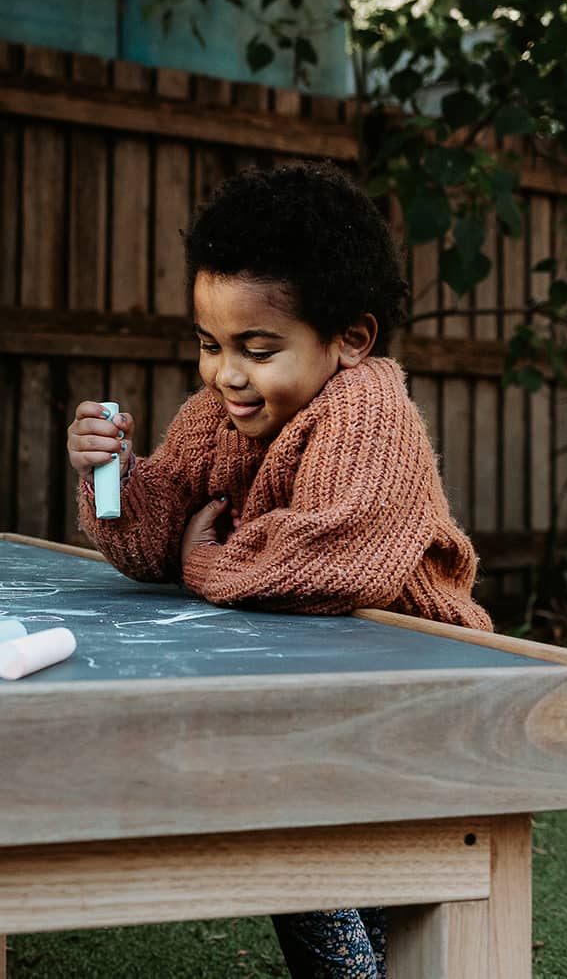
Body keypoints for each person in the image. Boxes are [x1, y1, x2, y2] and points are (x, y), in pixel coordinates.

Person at [65, 161, 492, 979]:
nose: (227, 373)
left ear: (350, 341)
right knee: (321, 869)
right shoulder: (216, 417)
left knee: (311, 850)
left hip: (420, 692)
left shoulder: (370, 411)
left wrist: (206, 560)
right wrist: (111, 475)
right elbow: (156, 541)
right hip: (322, 688)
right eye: (209, 345)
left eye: (258, 349)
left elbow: (332, 560)